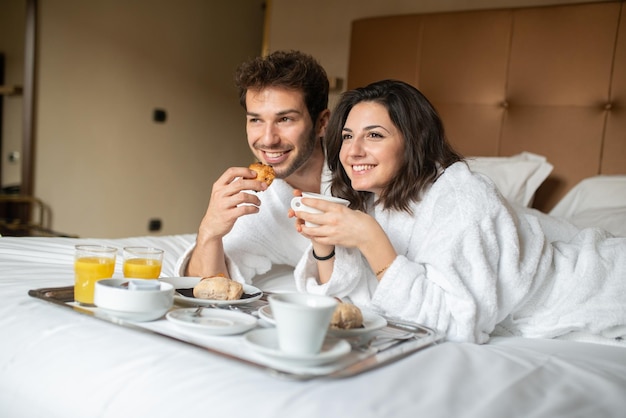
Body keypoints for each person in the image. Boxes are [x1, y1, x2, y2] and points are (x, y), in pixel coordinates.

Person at [291, 79, 626, 345]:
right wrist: (323, 245)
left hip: (595, 284)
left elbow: (459, 323)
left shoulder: (463, 197)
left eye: (374, 135)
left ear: (413, 142)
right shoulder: (365, 197)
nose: (353, 151)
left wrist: (371, 240)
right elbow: (354, 303)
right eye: (347, 136)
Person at [174, 50, 331, 285]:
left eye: (285, 119)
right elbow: (208, 285)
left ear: (321, 123)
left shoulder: (361, 173)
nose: (268, 139)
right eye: (256, 120)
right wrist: (209, 231)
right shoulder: (256, 198)